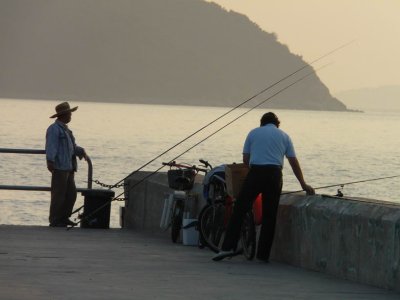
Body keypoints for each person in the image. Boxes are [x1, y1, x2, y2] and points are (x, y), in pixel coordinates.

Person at [213, 112, 314, 262]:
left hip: (256, 172)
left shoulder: (253, 133)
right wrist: (303, 184)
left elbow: (246, 159)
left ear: (262, 123)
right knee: (269, 215)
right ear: (277, 124)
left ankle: (227, 248)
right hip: (274, 174)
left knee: (240, 208)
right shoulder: (285, 136)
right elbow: (293, 162)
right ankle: (263, 255)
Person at [46, 102, 87, 227]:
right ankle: (55, 220)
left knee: (71, 194)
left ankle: (64, 217)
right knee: (58, 195)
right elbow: (51, 146)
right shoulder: (54, 129)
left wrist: (81, 151)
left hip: (69, 167)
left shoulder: (66, 130)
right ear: (64, 115)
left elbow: (72, 147)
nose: (71, 116)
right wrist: (50, 161)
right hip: (60, 167)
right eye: (69, 113)